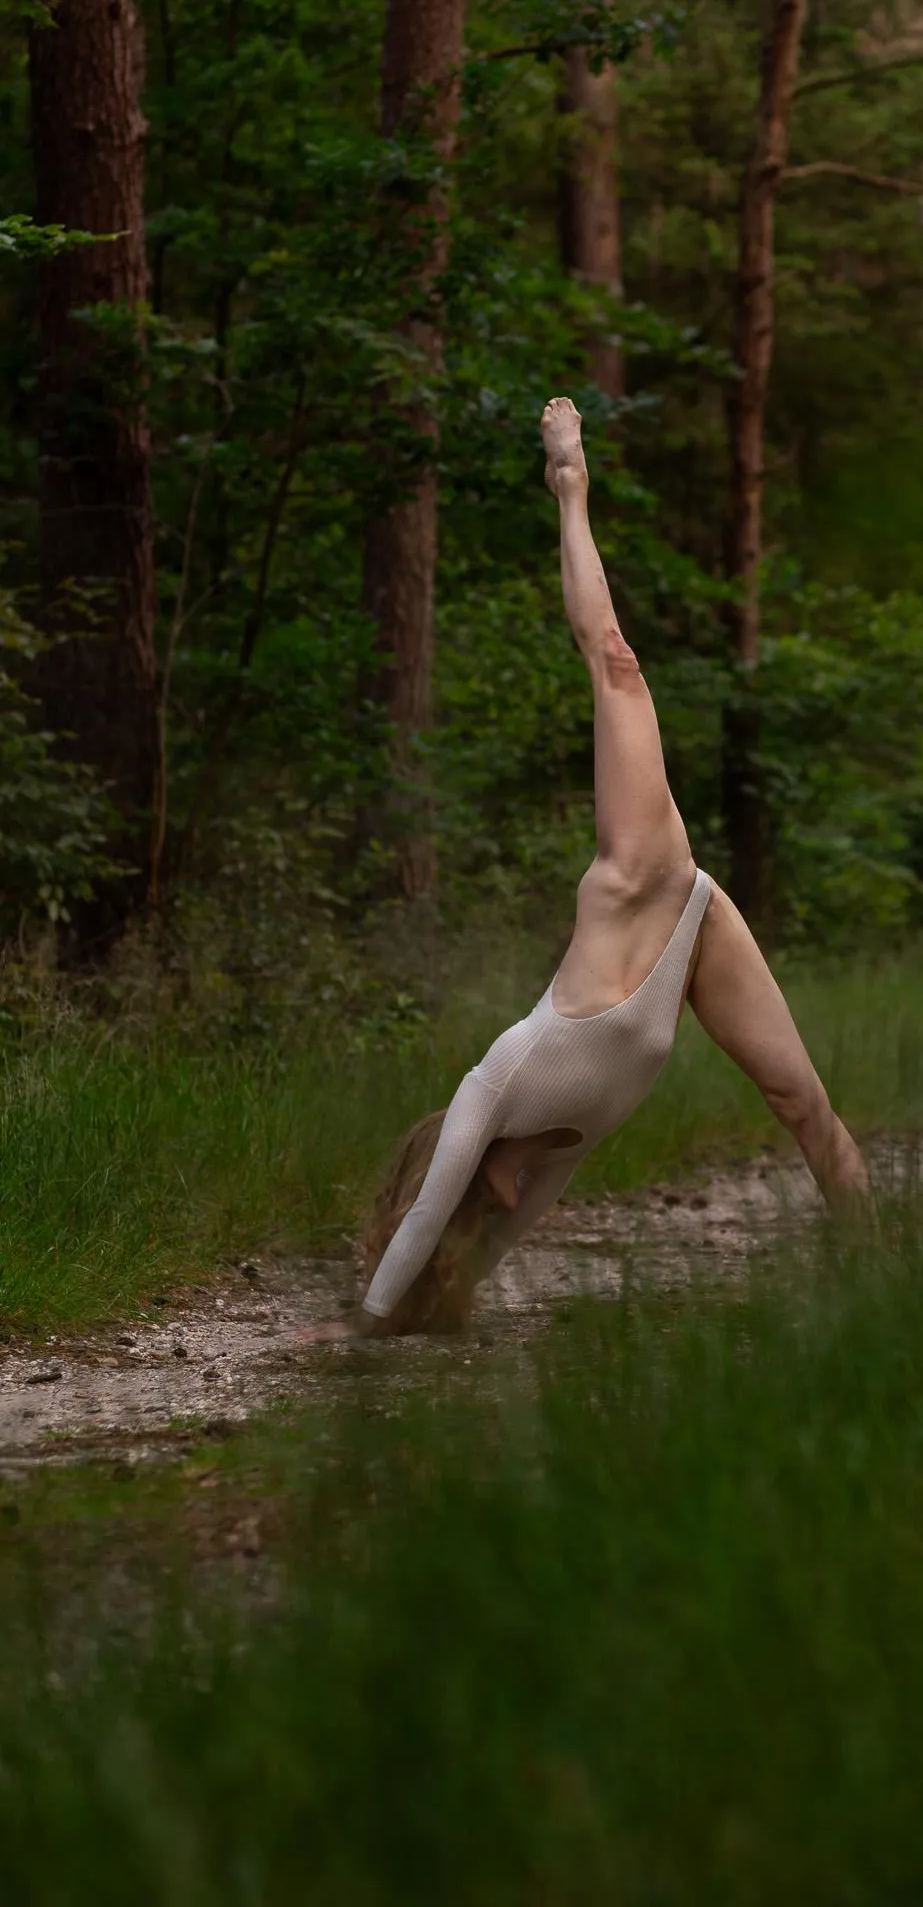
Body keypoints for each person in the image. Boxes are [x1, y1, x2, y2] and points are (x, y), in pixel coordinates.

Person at [303, 399, 870, 1343]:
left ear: (476, 1165)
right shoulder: (547, 1164)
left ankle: (569, 486)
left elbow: (420, 1217)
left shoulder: (499, 1085)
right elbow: (452, 1257)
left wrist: (357, 1327)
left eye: (489, 1190)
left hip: (638, 880)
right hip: (693, 923)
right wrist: (414, 1316)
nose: (511, 1200)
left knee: (615, 666)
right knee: (795, 1101)